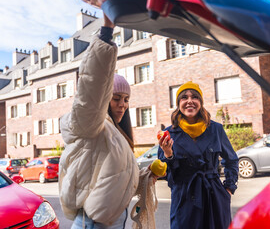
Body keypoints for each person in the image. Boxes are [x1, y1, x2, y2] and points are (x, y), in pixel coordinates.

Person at [58, 14, 141, 228]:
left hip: (113, 220)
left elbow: (116, 175)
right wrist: (106, 31)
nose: (123, 104)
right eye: (116, 98)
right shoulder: (92, 124)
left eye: (126, 100)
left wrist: (150, 171)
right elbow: (91, 89)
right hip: (93, 223)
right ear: (105, 97)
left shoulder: (115, 132)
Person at [158, 81, 239, 229]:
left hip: (213, 195)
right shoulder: (169, 134)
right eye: (184, 97)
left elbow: (231, 160)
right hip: (184, 197)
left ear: (200, 102)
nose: (190, 101)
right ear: (179, 103)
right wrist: (168, 155)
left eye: (194, 97)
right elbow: (164, 173)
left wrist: (228, 189)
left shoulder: (216, 129)